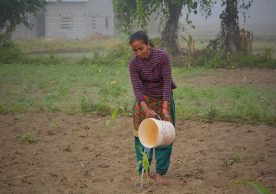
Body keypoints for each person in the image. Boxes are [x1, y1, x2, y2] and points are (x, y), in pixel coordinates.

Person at [128, 31, 176, 184]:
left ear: (148, 44)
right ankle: (144, 171)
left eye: (141, 48)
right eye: (135, 50)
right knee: (142, 137)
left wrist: (165, 108)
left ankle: (160, 173)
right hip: (144, 102)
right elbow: (137, 89)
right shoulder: (133, 64)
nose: (138, 52)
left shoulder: (162, 57)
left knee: (164, 136)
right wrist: (145, 109)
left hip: (164, 99)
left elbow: (167, 82)